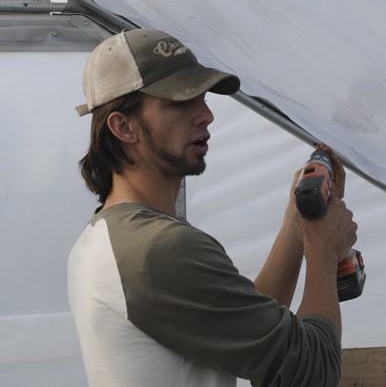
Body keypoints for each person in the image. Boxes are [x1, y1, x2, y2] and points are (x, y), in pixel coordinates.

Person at [68, 28, 357, 387]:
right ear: (123, 126)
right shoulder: (157, 250)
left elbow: (243, 325)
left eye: (202, 98)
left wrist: (297, 222)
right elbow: (312, 370)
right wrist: (323, 251)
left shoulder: (107, 238)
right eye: (179, 102)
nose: (206, 115)